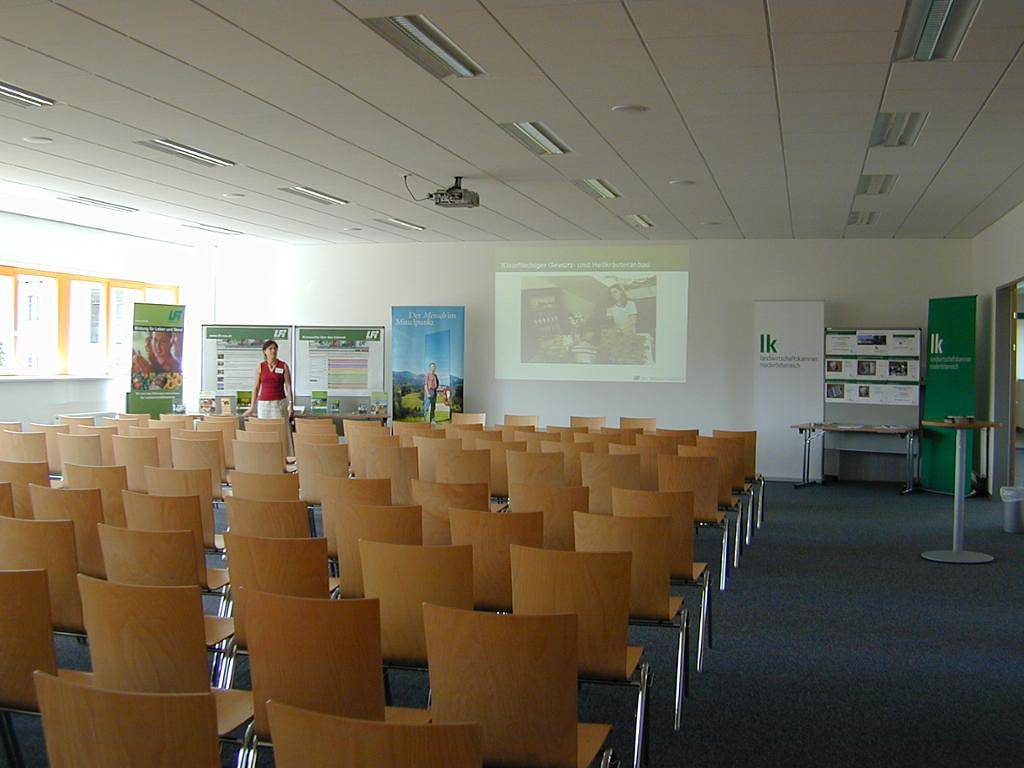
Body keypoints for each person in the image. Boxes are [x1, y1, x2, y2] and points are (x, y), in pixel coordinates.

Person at [243, 340, 294, 419]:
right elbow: (256, 387)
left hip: (279, 403)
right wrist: (252, 406)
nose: (273, 351)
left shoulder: (283, 366)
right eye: (270, 349)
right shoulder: (260, 366)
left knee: (280, 427)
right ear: (265, 351)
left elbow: (288, 386)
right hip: (264, 404)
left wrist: (291, 405)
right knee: (265, 428)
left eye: (275, 348)